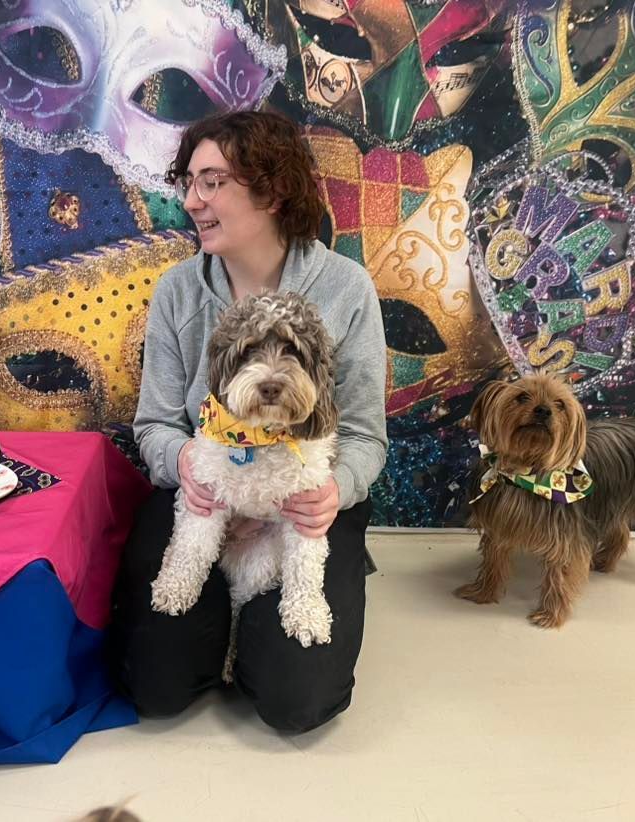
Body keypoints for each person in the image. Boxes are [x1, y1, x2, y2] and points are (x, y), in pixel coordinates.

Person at [106, 110, 387, 734]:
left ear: (271, 189)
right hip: (204, 496)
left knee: (298, 700)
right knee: (156, 684)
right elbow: (154, 422)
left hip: (301, 504)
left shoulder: (346, 288)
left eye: (212, 182)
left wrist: (335, 489)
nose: (192, 201)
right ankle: (212, 635)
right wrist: (182, 463)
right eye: (190, 182)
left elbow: (365, 433)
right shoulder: (179, 290)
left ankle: (263, 630)